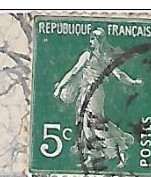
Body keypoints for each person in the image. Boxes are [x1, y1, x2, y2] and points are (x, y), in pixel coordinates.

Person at [53, 28, 142, 169]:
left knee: (96, 122)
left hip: (93, 93)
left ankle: (121, 144)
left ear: (97, 41)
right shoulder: (103, 57)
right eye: (93, 38)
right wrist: (132, 82)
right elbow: (119, 75)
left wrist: (59, 88)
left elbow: (74, 71)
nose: (93, 41)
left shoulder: (91, 56)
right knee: (86, 122)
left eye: (95, 39)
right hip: (87, 91)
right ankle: (93, 155)